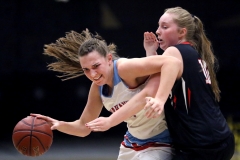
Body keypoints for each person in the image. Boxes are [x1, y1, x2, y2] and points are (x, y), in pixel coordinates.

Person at [31, 29, 178, 159]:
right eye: (86, 70)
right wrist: (59, 124)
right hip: (132, 143)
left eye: (96, 66)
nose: (93, 74)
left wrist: (160, 98)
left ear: (109, 59)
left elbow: (171, 63)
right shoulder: (97, 88)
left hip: (160, 141)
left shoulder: (124, 68)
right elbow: (83, 127)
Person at [141, 7, 235, 160]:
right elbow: (158, 78)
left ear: (181, 32)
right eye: (158, 26)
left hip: (200, 146)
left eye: (165, 27)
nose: (158, 31)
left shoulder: (174, 52)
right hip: (219, 140)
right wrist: (151, 52)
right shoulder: (191, 53)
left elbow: (153, 84)